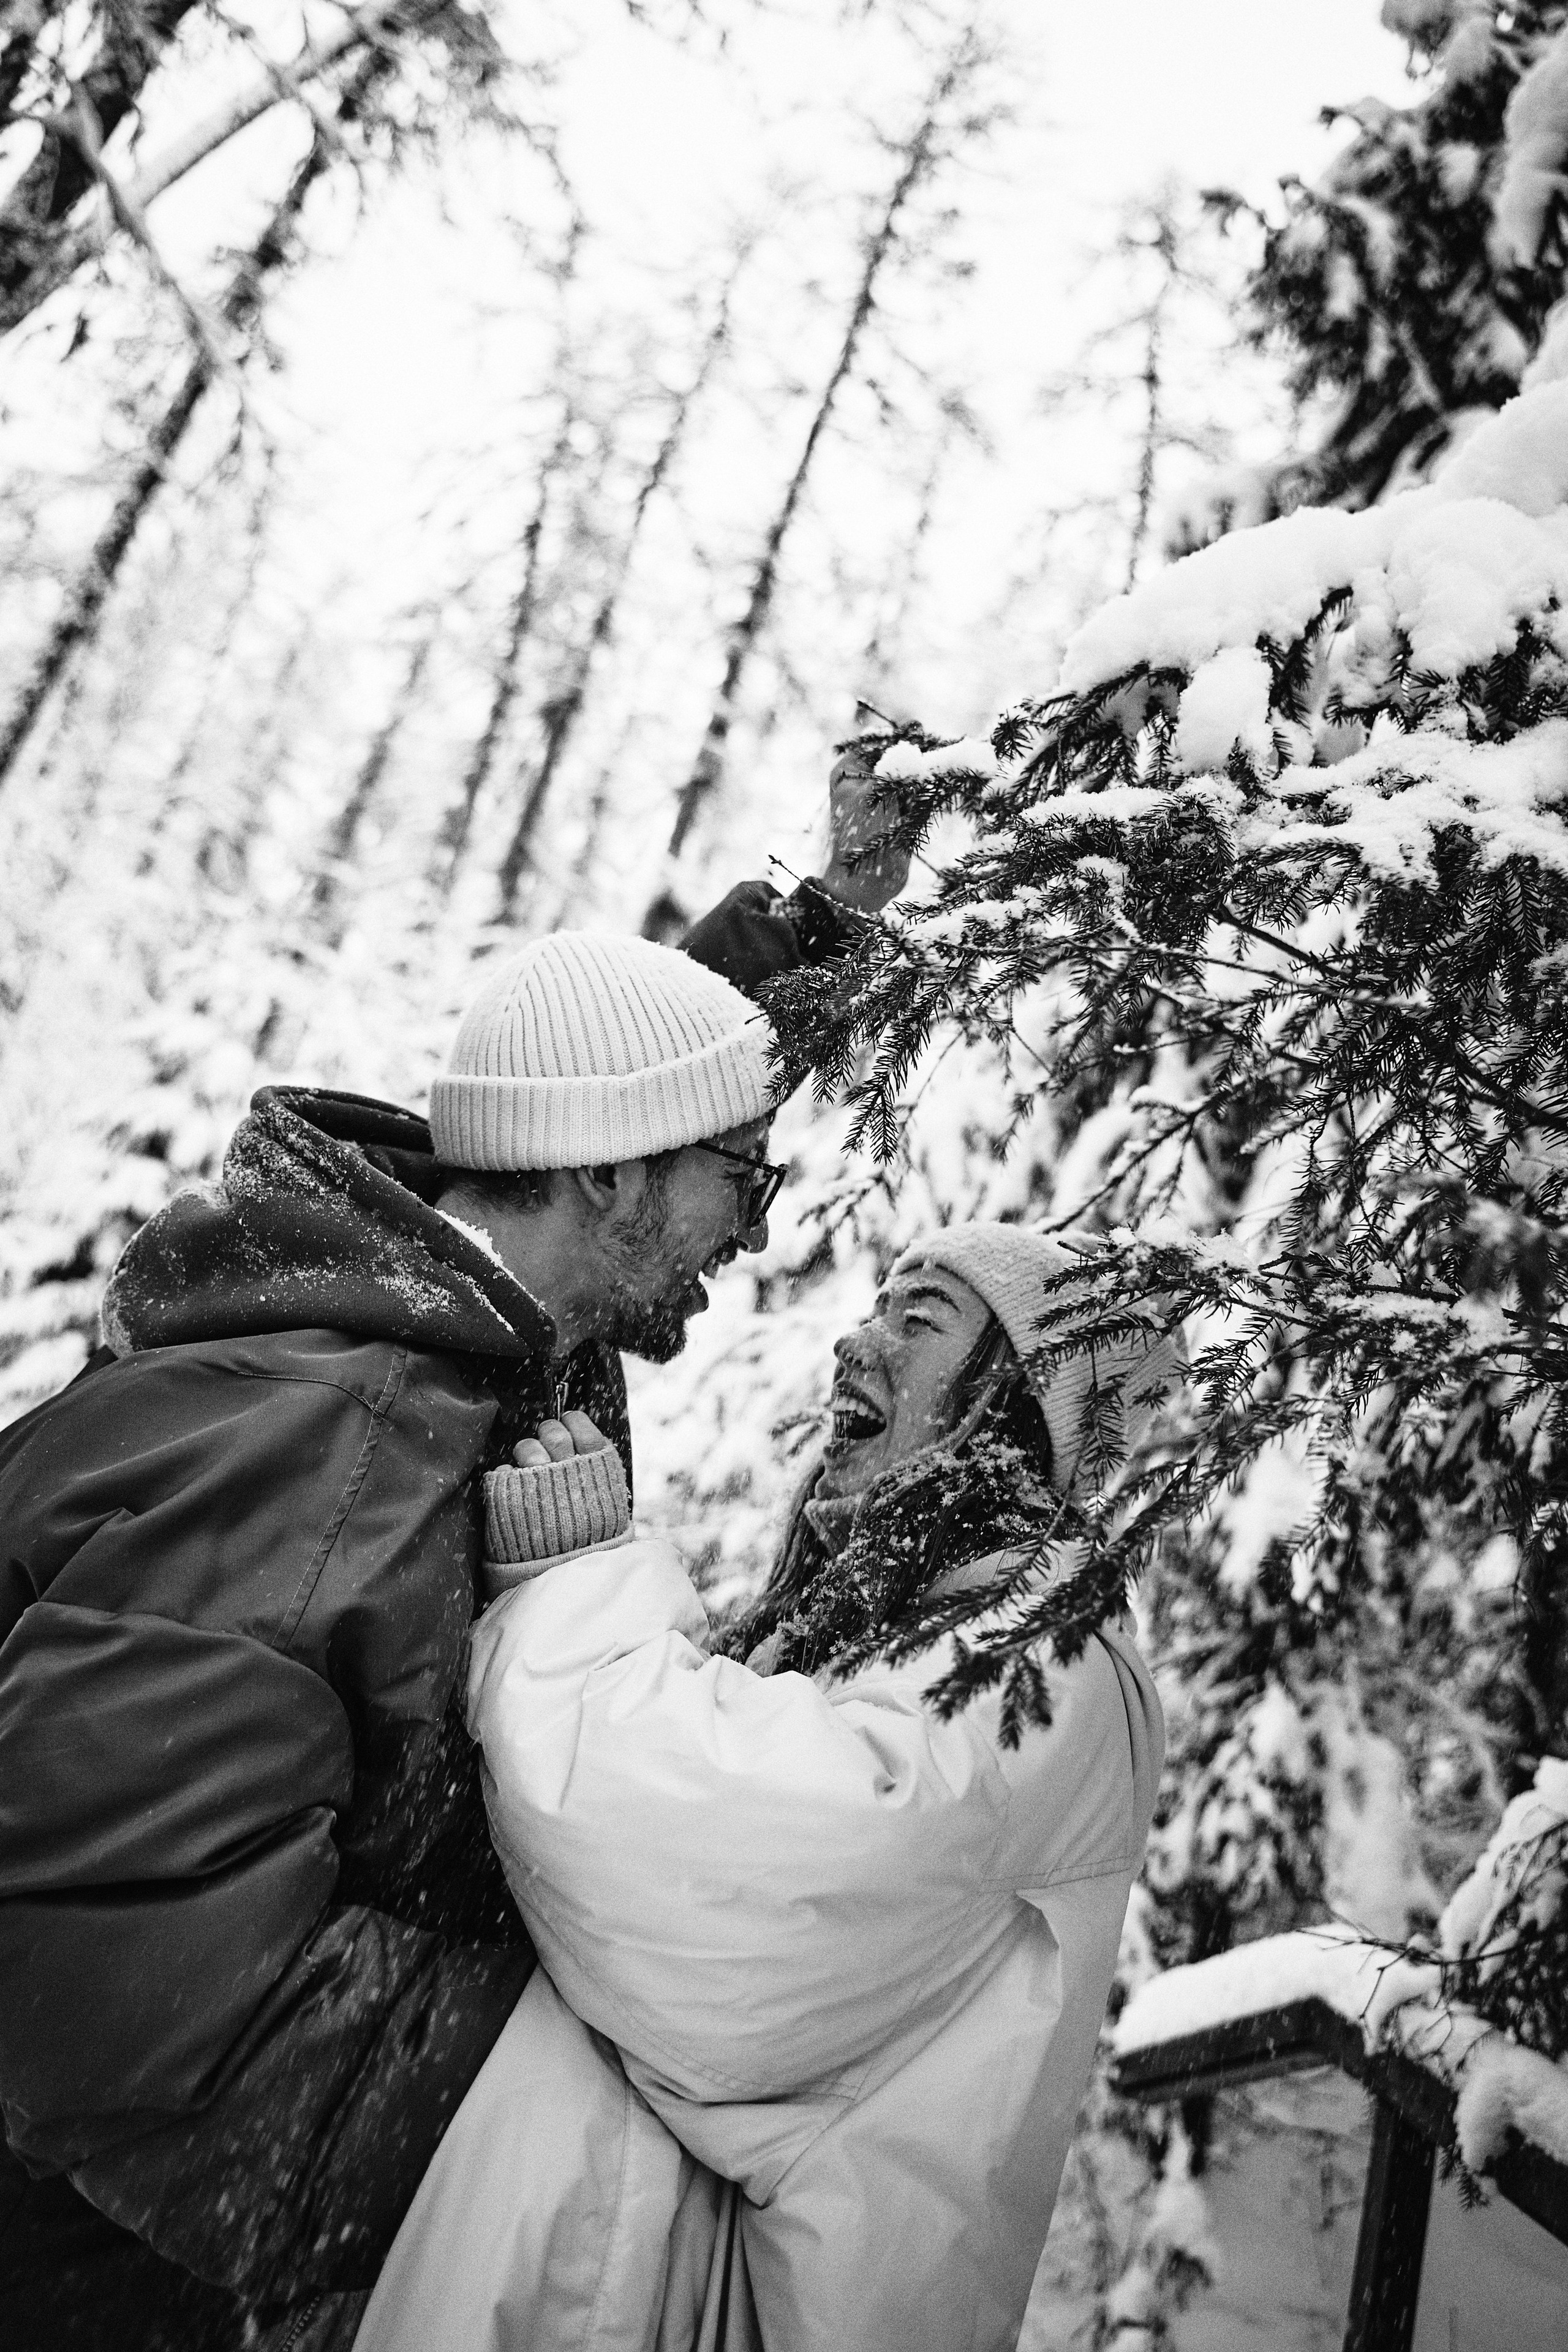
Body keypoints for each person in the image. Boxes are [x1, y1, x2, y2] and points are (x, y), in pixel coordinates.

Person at [0, 758, 908, 2352]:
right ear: (616, 1177)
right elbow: (129, 2000)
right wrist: (594, 2128)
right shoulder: (335, 1446)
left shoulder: (461, 1307)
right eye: (745, 1184)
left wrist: (822, 921)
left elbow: (624, 1064)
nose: (759, 1230)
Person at [358, 1221, 1178, 2352]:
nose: (856, 1342)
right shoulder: (928, 1630)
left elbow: (731, 1898)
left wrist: (575, 1583)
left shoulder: (1046, 1663)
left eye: (920, 1320)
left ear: (1023, 1405)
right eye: (875, 1307)